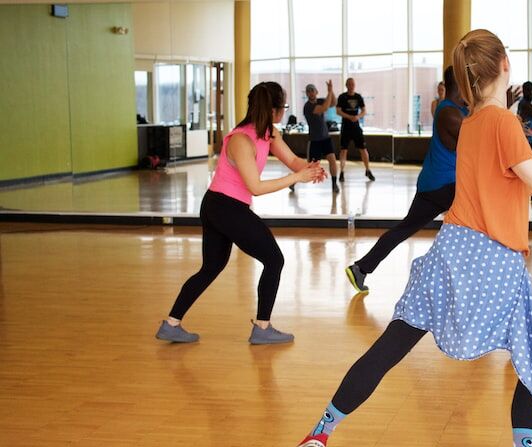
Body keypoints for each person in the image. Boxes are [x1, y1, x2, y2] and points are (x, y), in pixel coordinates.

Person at [293, 29, 532, 447]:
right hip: (495, 256)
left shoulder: (476, 121)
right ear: (504, 66)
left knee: (393, 343)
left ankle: (321, 431)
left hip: (452, 247)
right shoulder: (503, 121)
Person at [155, 82, 326, 345]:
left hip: (223, 206)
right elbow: (255, 188)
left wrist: (310, 169)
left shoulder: (270, 133)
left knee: (211, 267)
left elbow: (293, 161)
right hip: (224, 207)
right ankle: (262, 327)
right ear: (272, 109)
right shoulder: (241, 140)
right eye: (282, 107)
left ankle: (171, 324)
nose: (283, 111)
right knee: (274, 260)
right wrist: (296, 177)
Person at [344, 67, 465, 293]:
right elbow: (479, 138)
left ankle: (361, 268)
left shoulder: (459, 109)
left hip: (435, 183)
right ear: (460, 84)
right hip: (445, 185)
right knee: (474, 228)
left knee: (405, 229)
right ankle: (446, 283)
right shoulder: (450, 113)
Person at [303, 81, 340, 193]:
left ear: (316, 92)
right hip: (315, 141)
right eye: (308, 91)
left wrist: (331, 90)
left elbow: (333, 103)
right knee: (310, 167)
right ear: (307, 94)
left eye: (312, 90)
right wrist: (329, 92)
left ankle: (334, 184)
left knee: (332, 161)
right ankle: (293, 182)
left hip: (325, 139)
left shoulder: (319, 101)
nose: (310, 93)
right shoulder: (308, 107)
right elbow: (324, 108)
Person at [336, 78, 375, 182]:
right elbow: (338, 111)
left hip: (356, 127)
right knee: (343, 150)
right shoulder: (342, 97)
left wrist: (358, 117)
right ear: (346, 85)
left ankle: (368, 170)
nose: (351, 86)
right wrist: (349, 116)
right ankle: (342, 172)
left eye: (353, 84)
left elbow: (364, 110)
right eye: (349, 84)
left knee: (363, 149)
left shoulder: (358, 97)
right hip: (346, 127)